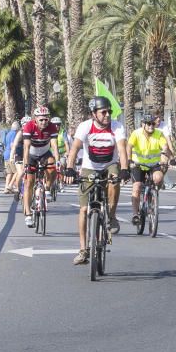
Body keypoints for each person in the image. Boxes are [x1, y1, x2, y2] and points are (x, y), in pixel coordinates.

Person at [64, 96, 129, 265]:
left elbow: (122, 149)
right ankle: (83, 250)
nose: (107, 115)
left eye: (109, 111)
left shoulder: (117, 126)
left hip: (110, 165)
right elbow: (75, 148)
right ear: (94, 114)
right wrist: (70, 168)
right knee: (84, 209)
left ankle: (111, 217)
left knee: (114, 181)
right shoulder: (85, 127)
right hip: (90, 167)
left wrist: (124, 169)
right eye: (103, 112)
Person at [126, 111, 175, 225]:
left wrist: (170, 158)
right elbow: (129, 146)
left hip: (154, 165)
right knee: (137, 187)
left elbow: (165, 147)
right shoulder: (136, 134)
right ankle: (135, 214)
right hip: (138, 164)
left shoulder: (159, 134)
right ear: (143, 124)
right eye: (148, 124)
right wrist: (129, 160)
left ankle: (153, 196)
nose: (151, 126)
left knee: (158, 178)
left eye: (153, 124)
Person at [20, 106, 59, 228]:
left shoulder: (52, 127)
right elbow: (26, 148)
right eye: (41, 120)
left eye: (46, 119)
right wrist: (26, 165)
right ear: (35, 119)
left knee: (53, 167)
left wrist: (58, 161)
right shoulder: (29, 126)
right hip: (31, 154)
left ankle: (47, 188)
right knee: (28, 183)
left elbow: (54, 145)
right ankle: (28, 214)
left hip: (45, 153)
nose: (43, 122)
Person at [2, 120, 20, 194]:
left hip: (6, 154)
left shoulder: (8, 133)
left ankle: (6, 188)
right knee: (17, 172)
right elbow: (12, 144)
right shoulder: (15, 134)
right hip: (11, 154)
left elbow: (5, 144)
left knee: (9, 173)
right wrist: (14, 154)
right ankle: (10, 185)